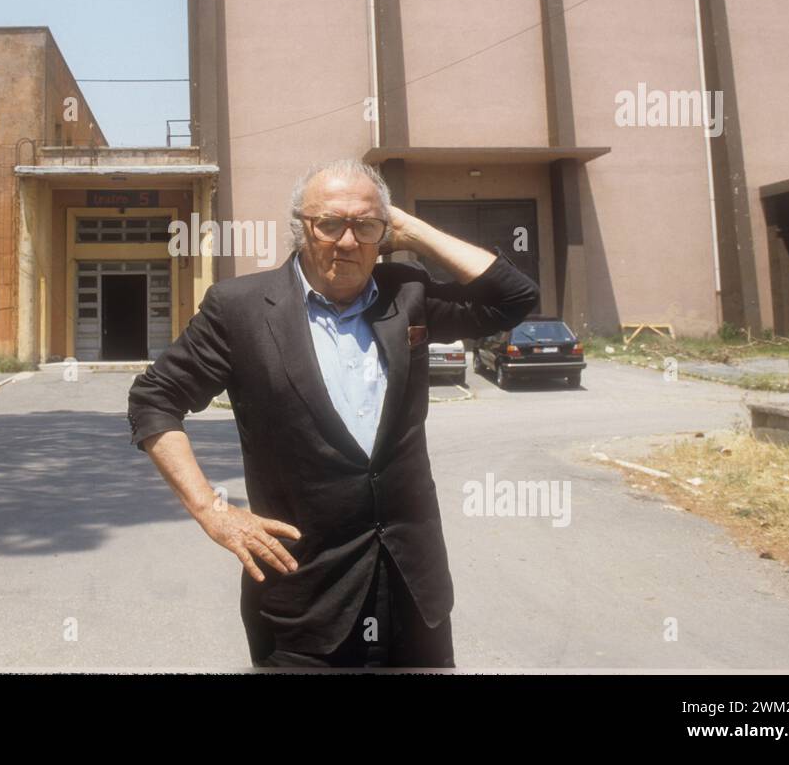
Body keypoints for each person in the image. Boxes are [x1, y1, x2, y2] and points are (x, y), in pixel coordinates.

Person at [126, 158, 539, 668]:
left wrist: (412, 228)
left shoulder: (406, 293)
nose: (347, 242)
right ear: (299, 227)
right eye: (329, 224)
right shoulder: (241, 309)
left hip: (414, 593)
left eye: (366, 226)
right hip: (303, 602)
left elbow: (514, 299)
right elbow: (154, 399)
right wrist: (214, 512)